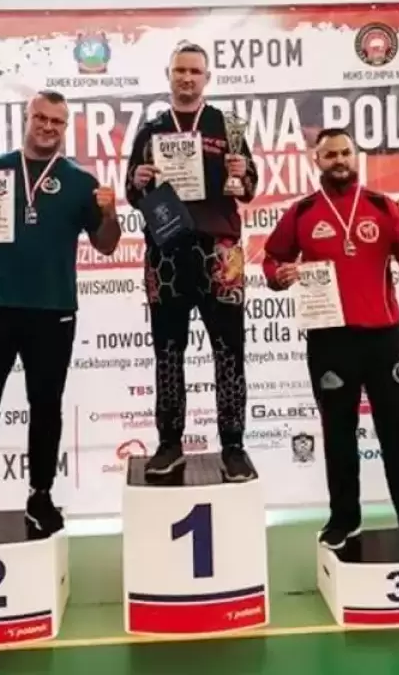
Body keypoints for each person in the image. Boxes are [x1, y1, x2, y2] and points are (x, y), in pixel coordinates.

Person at [0, 90, 121, 543]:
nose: (48, 126)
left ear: (65, 127)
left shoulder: (80, 182)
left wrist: (109, 212)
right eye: (41, 118)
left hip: (51, 310)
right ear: (27, 119)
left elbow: (107, 243)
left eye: (57, 121)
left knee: (46, 406)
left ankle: (41, 496)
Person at [261, 128, 399, 562]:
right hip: (330, 340)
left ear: (355, 157)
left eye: (345, 152)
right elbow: (272, 258)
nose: (339, 160)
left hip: (385, 339)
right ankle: (344, 520)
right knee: (338, 435)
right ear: (316, 160)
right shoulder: (302, 212)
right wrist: (279, 276)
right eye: (330, 155)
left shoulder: (383, 206)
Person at [126, 42, 258, 481]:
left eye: (194, 72)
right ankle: (169, 444)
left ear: (207, 78)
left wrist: (241, 173)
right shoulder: (151, 130)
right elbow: (131, 192)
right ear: (169, 75)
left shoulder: (227, 126)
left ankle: (234, 446)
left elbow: (250, 187)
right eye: (180, 70)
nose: (187, 78)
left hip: (220, 251)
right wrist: (139, 179)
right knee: (167, 351)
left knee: (229, 350)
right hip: (165, 251)